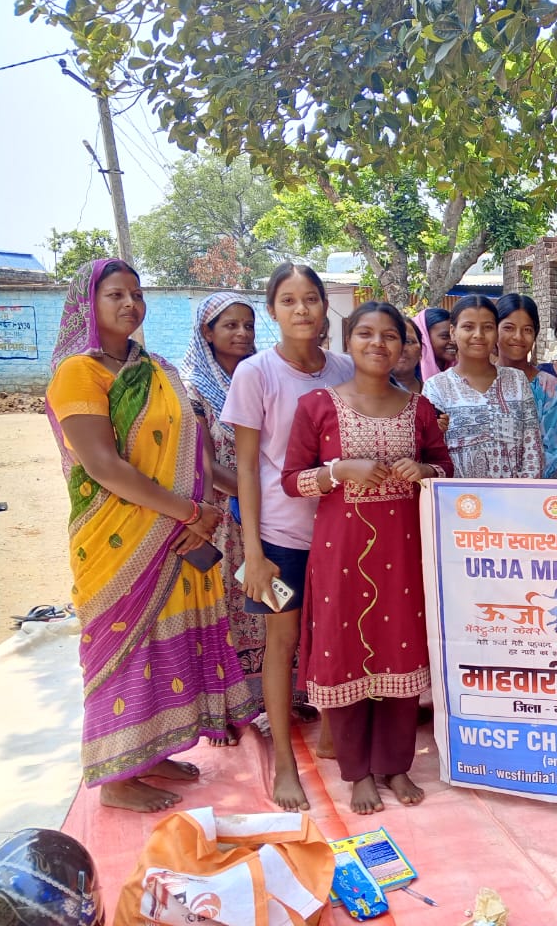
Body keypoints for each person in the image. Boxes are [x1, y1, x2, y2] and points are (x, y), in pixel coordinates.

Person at [45, 259, 257, 813]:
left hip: (179, 529)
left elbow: (195, 453)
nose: (130, 304)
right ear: (87, 305)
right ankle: (116, 779)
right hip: (117, 536)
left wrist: (211, 508)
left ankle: (152, 752)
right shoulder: (78, 373)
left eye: (137, 294)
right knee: (125, 646)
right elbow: (103, 466)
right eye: (115, 294)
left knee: (169, 640)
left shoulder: (158, 367)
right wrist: (188, 512)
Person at [282, 302, 453, 814]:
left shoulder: (420, 409)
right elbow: (291, 481)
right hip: (341, 552)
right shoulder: (317, 406)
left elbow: (446, 467)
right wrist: (339, 471)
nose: (378, 344)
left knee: (401, 649)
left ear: (404, 346)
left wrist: (424, 471)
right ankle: (357, 772)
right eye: (366, 334)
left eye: (390, 336)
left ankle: (396, 766)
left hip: (404, 551)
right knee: (345, 650)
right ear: (348, 341)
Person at [222, 262, 355, 811]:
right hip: (280, 535)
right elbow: (247, 468)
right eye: (288, 300)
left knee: (337, 636)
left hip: (341, 531)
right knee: (284, 643)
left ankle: (332, 733)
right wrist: (254, 552)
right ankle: (283, 762)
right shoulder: (255, 373)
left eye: (311, 299)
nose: (301, 310)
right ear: (272, 310)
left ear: (325, 306)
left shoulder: (346, 368)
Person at [181, 291, 265, 708]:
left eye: (248, 325)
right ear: (207, 332)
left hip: (269, 510)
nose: (242, 333)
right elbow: (205, 464)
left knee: (272, 600)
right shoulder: (192, 388)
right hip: (226, 516)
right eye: (231, 325)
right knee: (228, 601)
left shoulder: (262, 377)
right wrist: (257, 496)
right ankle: (232, 705)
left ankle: (280, 693)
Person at [423, 295, 545, 478]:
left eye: (487, 327)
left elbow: (532, 451)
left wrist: (521, 492)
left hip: (515, 494)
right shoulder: (436, 387)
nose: (478, 334)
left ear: (496, 332)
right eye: (468, 327)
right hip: (459, 494)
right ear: (453, 332)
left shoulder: (517, 380)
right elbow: (432, 454)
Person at [496, 294, 557, 476]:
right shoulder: (480, 383)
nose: (518, 337)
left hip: (535, 486)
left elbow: (552, 449)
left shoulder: (548, 387)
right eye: (509, 328)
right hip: (485, 488)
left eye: (527, 330)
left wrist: (522, 482)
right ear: (494, 329)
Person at [413, 307, 455, 380]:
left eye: (455, 335)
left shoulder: (462, 373)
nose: (454, 341)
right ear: (425, 338)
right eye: (445, 336)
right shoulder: (408, 377)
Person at [392, 317, 426, 393]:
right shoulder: (367, 395)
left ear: (420, 351)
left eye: (408, 341)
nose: (402, 348)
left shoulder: (433, 393)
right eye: (393, 340)